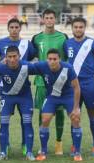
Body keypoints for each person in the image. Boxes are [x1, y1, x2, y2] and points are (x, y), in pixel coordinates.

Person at [30, 48, 82, 162]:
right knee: (45, 119)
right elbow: (26, 67)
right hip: (52, 97)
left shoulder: (68, 68)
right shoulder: (42, 66)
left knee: (76, 118)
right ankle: (43, 151)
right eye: (50, 59)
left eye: (55, 59)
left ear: (59, 59)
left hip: (68, 96)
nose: (52, 61)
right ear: (46, 59)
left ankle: (77, 152)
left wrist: (76, 107)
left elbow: (77, 87)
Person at [64, 17, 94, 157]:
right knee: (74, 114)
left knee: (92, 113)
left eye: (80, 27)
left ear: (84, 28)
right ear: (72, 28)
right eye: (75, 27)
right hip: (72, 84)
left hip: (88, 83)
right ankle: (75, 145)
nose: (78, 29)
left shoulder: (92, 43)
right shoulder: (67, 43)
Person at [0, 18, 36, 155]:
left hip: (23, 88)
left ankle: (26, 146)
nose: (14, 29)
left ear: (20, 28)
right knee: (4, 120)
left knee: (26, 120)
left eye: (16, 27)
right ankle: (4, 147)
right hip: (5, 88)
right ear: (8, 28)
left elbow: (33, 60)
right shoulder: (0, 43)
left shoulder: (27, 44)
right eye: (11, 27)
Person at [32, 9, 68, 155]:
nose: (49, 20)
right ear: (43, 19)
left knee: (59, 112)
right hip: (41, 82)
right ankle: (43, 144)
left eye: (52, 18)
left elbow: (66, 59)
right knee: (42, 112)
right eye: (46, 18)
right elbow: (31, 56)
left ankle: (58, 143)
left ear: (55, 19)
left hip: (59, 81)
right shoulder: (36, 38)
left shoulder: (63, 37)